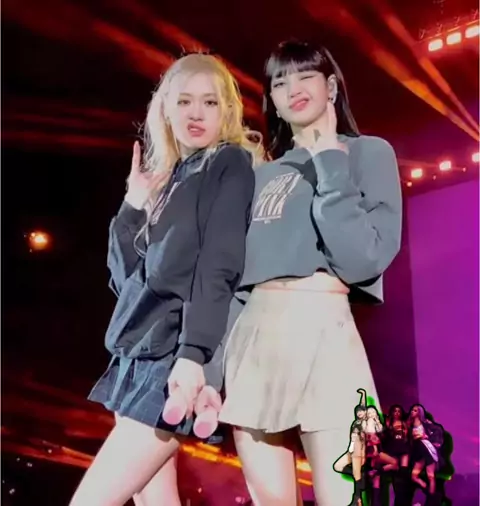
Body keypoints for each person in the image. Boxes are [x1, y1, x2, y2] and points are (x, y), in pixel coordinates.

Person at [69, 52, 263, 506]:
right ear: (166, 109)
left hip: (174, 354)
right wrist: (133, 206)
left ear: (227, 110)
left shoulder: (228, 163)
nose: (196, 113)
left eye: (210, 102)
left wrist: (194, 355)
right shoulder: (172, 177)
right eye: (184, 101)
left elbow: (219, 263)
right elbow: (125, 282)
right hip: (137, 350)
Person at [218, 39, 403, 506]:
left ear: (331, 86)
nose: (293, 89)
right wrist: (212, 368)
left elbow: (363, 260)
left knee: (348, 496)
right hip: (255, 338)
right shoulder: (262, 174)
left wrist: (330, 165)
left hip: (326, 331)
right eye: (280, 82)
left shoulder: (367, 153)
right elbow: (238, 282)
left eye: (305, 76)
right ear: (272, 100)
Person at [408, 405, 444, 499]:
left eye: (415, 410)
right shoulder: (409, 425)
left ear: (419, 412)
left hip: (427, 449)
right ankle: (427, 489)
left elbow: (437, 430)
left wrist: (428, 437)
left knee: (430, 476)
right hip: (419, 452)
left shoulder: (426, 423)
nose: (412, 412)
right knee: (414, 476)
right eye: (412, 410)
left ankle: (431, 498)